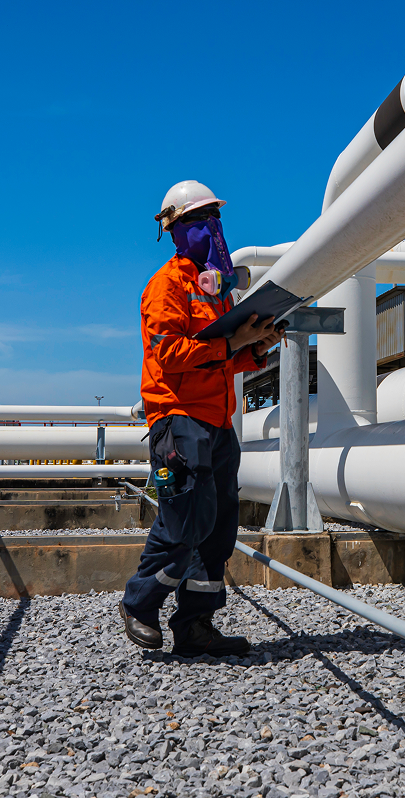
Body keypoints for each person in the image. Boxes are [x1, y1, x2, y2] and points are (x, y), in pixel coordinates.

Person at [119, 180, 283, 657]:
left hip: (217, 420)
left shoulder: (216, 291)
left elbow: (219, 358)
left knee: (218, 529)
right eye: (197, 219)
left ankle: (195, 626)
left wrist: (254, 349)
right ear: (173, 229)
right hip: (177, 417)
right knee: (186, 517)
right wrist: (232, 343)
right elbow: (169, 356)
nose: (210, 227)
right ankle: (139, 603)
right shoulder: (166, 286)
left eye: (214, 217)